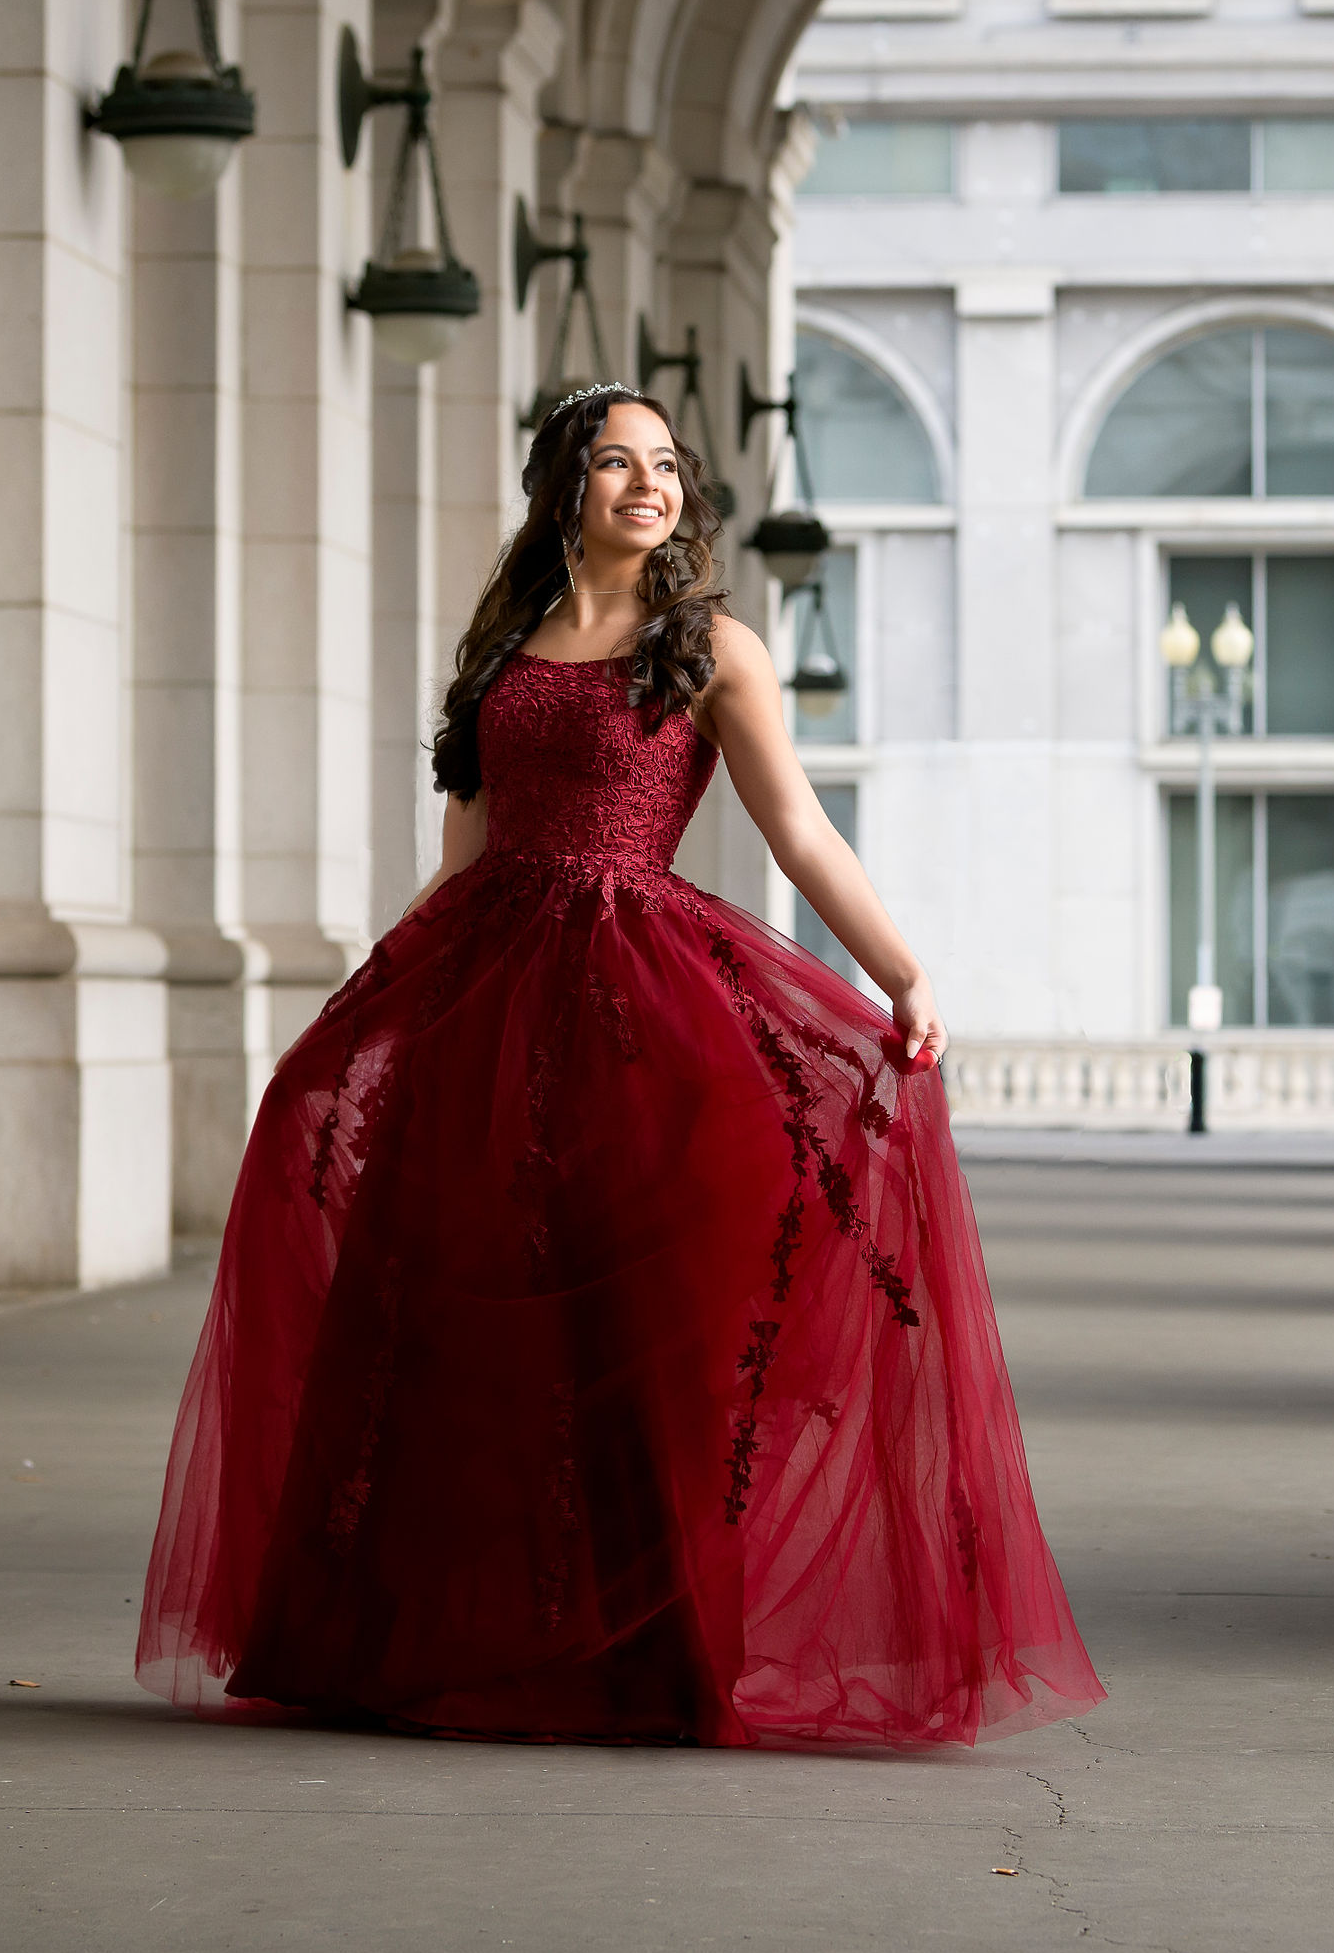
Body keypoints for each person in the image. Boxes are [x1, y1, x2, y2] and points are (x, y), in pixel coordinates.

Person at [138, 386, 1102, 1747]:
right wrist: (366, 1005)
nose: (645, 484)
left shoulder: (708, 650)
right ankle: (424, 1648)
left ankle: (651, 1666)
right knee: (460, 1335)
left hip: (643, 1019)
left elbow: (801, 835)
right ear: (561, 488)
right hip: (482, 1018)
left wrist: (902, 970)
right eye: (613, 461)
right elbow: (461, 868)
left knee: (629, 1350)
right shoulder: (498, 654)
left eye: (663, 464)